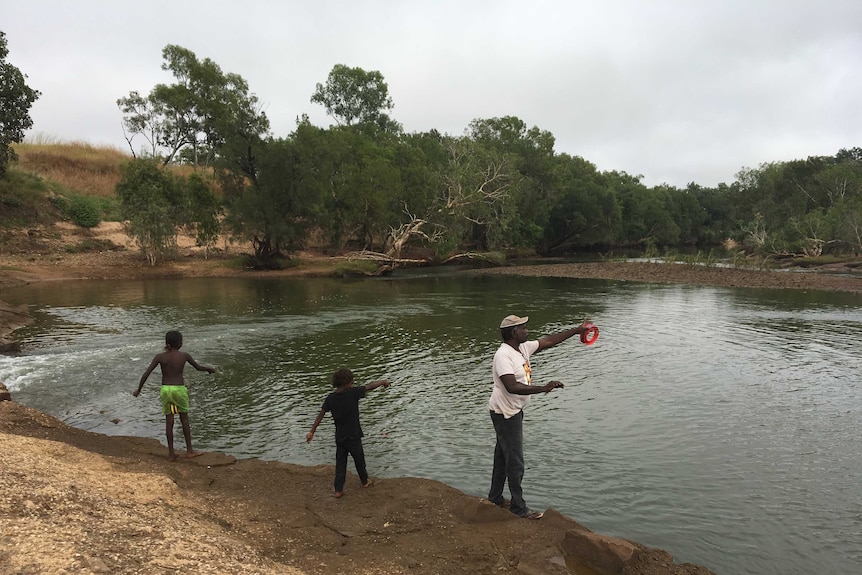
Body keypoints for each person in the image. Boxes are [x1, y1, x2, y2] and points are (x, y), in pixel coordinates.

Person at [488, 314, 590, 520]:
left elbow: (550, 341)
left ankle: (495, 498)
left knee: (502, 457)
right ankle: (518, 508)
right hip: (505, 413)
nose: (527, 331)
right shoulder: (503, 355)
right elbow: (512, 386)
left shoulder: (522, 348)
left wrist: (577, 330)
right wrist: (543, 388)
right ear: (514, 332)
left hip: (512, 410)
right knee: (515, 462)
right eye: (524, 328)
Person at [306, 368, 391, 498]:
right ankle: (365, 481)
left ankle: (338, 490)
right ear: (348, 382)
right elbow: (369, 387)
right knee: (359, 460)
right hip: (353, 436)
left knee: (340, 463)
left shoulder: (331, 398)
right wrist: (383, 382)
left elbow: (321, 415)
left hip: (340, 437)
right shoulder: (353, 393)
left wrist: (312, 431)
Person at [133, 330, 215, 461]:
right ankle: (190, 451)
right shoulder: (184, 356)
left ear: (167, 343)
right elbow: (198, 367)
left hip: (165, 390)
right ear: (180, 343)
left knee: (169, 421)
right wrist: (209, 370)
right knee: (184, 419)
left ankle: (171, 453)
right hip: (179, 390)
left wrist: (138, 390)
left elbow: (146, 373)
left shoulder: (160, 357)